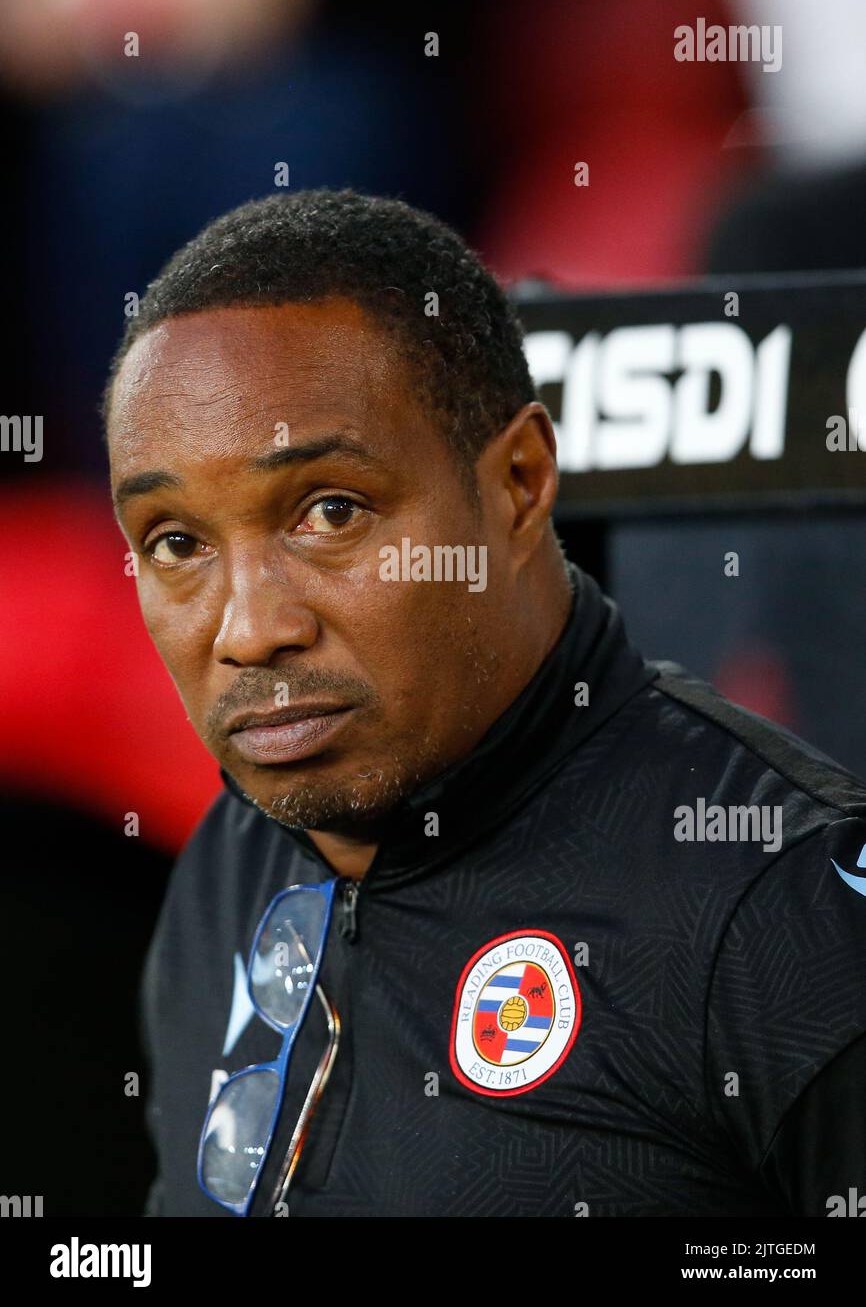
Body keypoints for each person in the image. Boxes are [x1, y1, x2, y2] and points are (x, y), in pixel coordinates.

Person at [103, 188, 866, 1217]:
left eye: (330, 511)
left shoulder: (784, 914)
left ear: (515, 481)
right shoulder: (226, 862)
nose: (247, 629)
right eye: (176, 543)